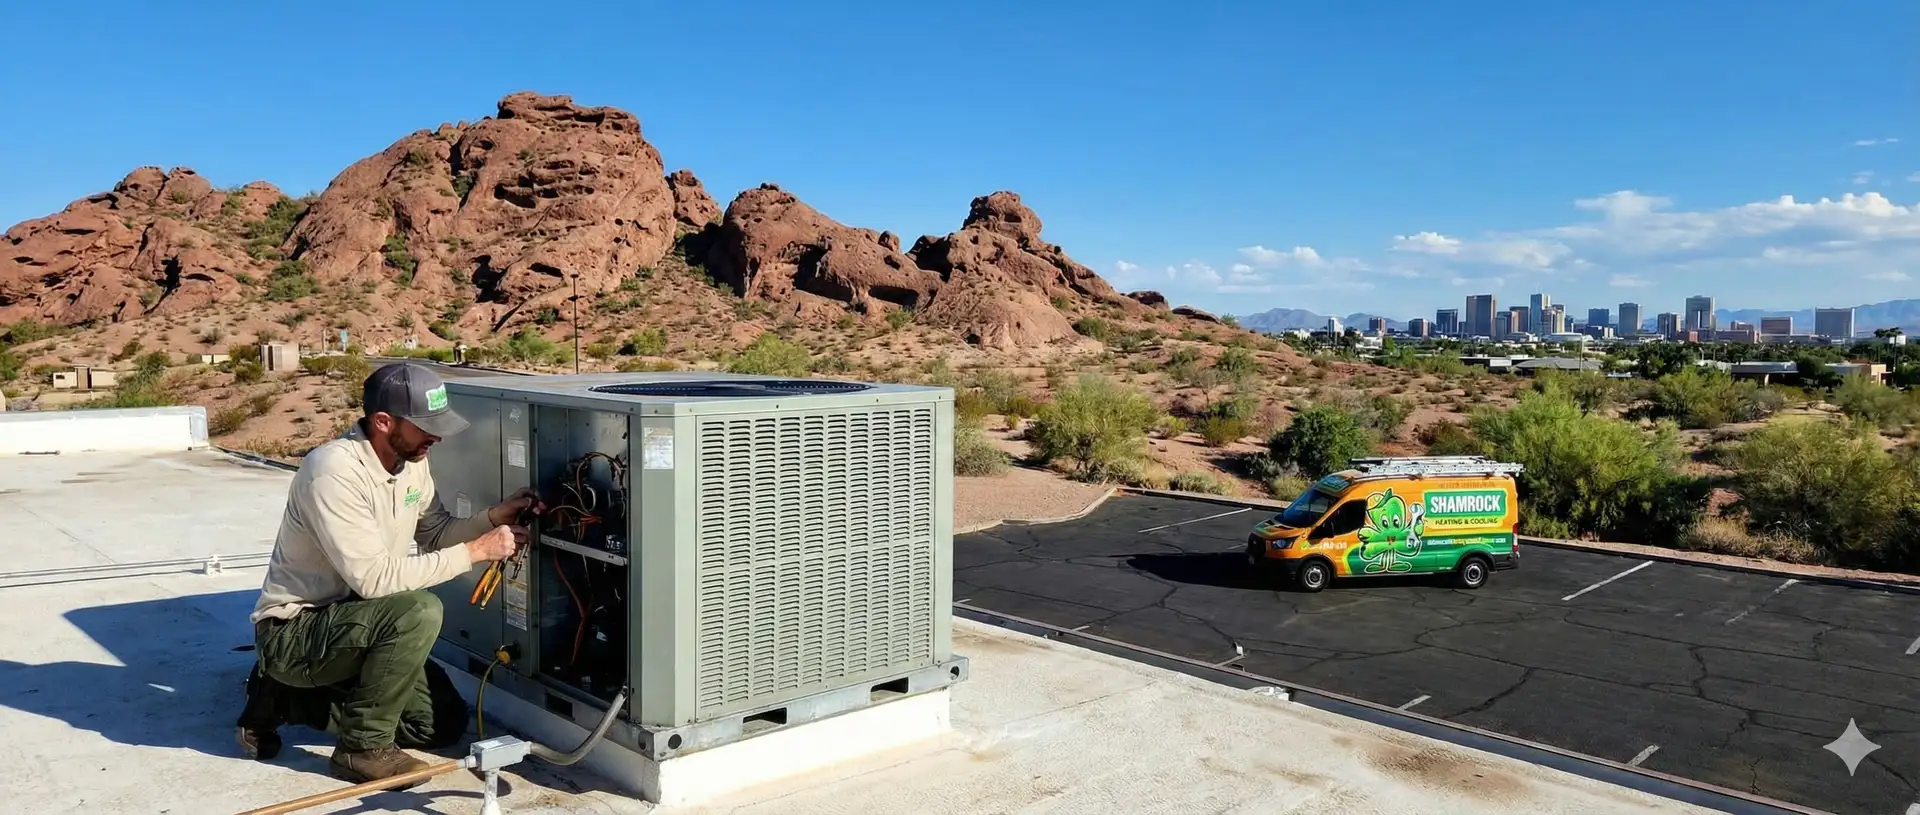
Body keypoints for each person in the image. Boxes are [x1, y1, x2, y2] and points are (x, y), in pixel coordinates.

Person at [235, 362, 542, 786]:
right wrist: (476, 552)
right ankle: (361, 749)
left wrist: (492, 518)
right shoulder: (333, 472)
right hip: (296, 631)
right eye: (426, 427)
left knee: (440, 726)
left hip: (359, 624)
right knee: (417, 611)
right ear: (383, 422)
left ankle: (287, 699)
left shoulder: (411, 460)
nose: (436, 437)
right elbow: (375, 580)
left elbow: (434, 532)